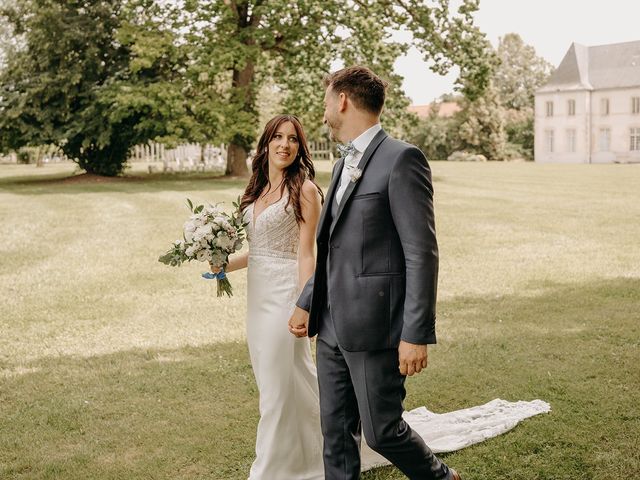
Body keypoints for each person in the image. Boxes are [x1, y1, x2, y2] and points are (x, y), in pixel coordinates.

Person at [288, 66, 462, 480]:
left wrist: (416, 333)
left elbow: (422, 253)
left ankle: (442, 478)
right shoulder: (342, 162)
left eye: (327, 100)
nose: (324, 110)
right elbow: (332, 249)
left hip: (374, 325)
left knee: (382, 432)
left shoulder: (402, 159)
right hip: (329, 325)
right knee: (335, 433)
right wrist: (306, 302)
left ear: (343, 100)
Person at [218, 114, 325, 479]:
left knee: (277, 389)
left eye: (292, 139)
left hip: (286, 296)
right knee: (280, 379)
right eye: (277, 137)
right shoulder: (255, 190)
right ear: (265, 145)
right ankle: (318, 450)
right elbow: (260, 249)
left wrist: (304, 304)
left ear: (300, 147)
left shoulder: (305, 190)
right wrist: (223, 265)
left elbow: (306, 252)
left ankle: (269, 471)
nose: (285, 144)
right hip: (257, 299)